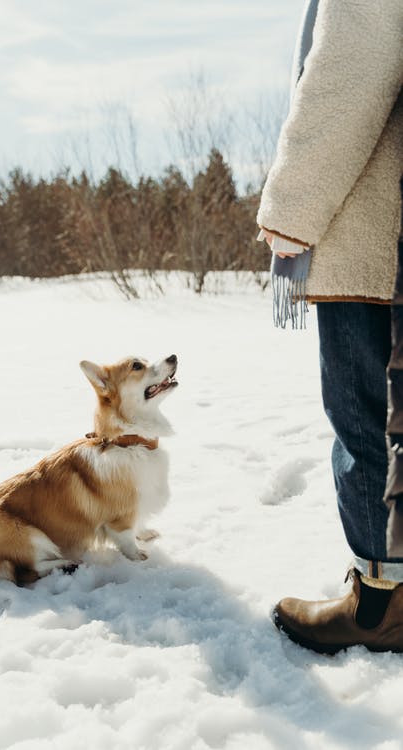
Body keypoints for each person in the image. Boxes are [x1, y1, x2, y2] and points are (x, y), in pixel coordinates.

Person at [256, 0, 403, 653]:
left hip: (377, 232)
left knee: (367, 417)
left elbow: (350, 73)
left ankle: (381, 604)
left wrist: (291, 212)